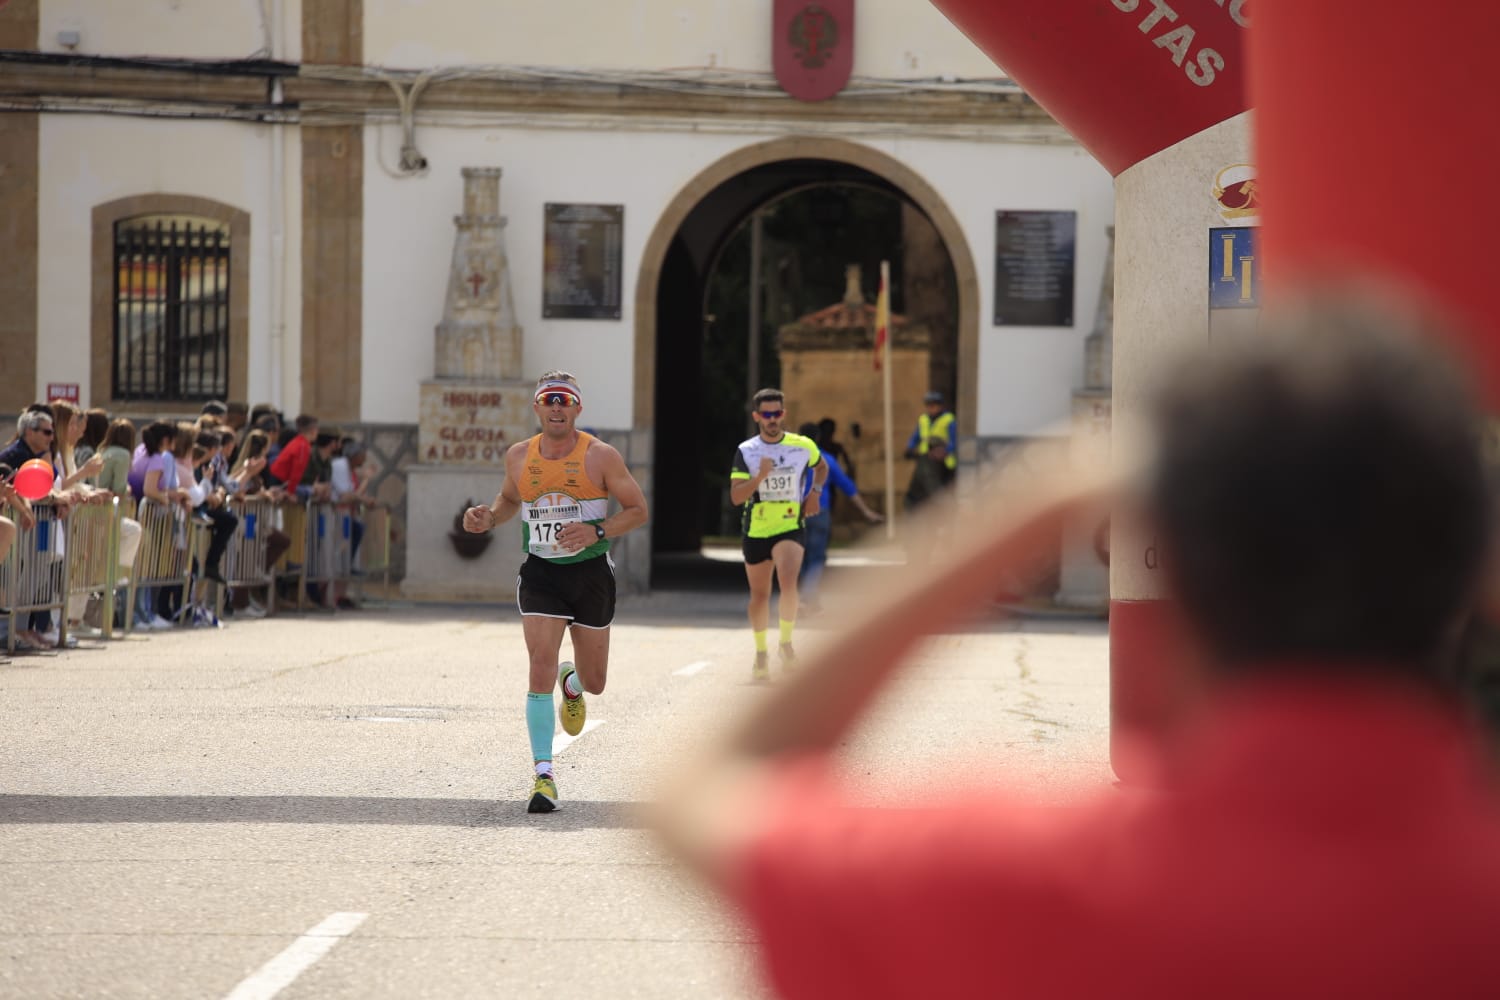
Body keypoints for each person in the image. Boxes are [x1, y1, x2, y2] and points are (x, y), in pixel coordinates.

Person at [650, 291, 1500, 998]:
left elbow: (700, 797)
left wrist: (1039, 501)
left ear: (1183, 573)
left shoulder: (1025, 873)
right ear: (1475, 571)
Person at [462, 370, 648, 814]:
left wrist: (596, 529)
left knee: (597, 682)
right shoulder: (518, 456)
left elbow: (638, 510)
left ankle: (575, 683)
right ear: (537, 408)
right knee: (538, 666)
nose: (557, 407)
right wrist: (488, 517)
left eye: (565, 400)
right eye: (549, 399)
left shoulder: (601, 456)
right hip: (542, 571)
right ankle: (543, 776)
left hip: (590, 574)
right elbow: (509, 500)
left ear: (578, 408)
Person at [730, 389, 826, 682]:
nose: (773, 420)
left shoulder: (802, 445)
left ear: (783, 414)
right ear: (757, 416)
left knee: (788, 581)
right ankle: (761, 652)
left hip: (790, 525)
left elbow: (820, 467)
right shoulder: (746, 451)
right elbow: (736, 497)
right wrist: (759, 477)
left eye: (777, 414)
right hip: (757, 528)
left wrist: (814, 492)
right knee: (760, 595)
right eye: (767, 415)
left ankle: (785, 643)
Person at [797, 422, 882, 615]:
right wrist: (866, 511)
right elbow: (847, 486)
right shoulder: (826, 460)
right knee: (816, 558)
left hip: (795, 514)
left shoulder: (791, 461)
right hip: (820, 512)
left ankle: (807, 599)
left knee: (800, 557)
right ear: (818, 438)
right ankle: (808, 598)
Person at [904, 389, 956, 473]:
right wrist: (910, 447)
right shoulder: (923, 419)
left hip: (943, 461)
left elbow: (954, 440)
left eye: (934, 405)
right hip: (925, 458)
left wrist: (945, 451)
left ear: (940, 405)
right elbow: (916, 436)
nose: (931, 408)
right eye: (928, 405)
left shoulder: (948, 419)